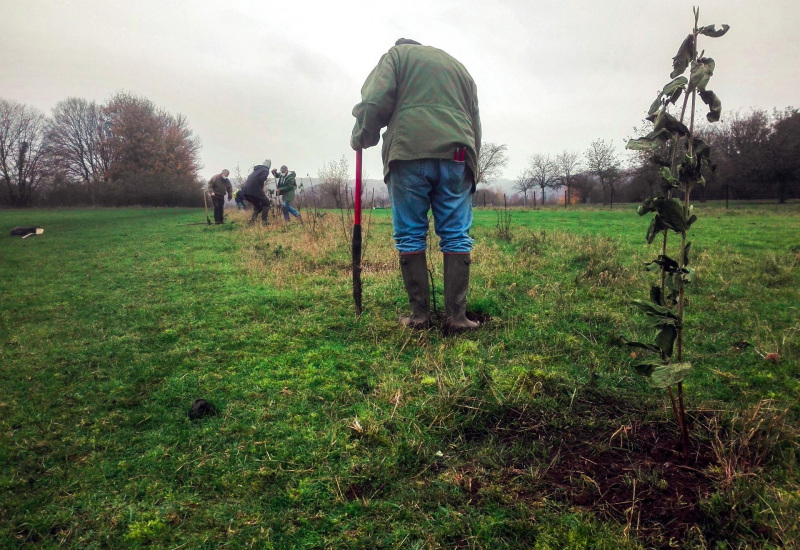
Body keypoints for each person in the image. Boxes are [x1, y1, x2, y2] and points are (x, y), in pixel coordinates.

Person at [350, 38, 481, 331]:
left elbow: (374, 100)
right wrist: (473, 165)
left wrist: (363, 135)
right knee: (456, 234)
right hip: (458, 153)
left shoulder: (396, 56)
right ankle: (457, 318)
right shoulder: (458, 66)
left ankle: (420, 317)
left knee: (410, 234)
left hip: (408, 150)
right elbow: (475, 122)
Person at [243, 160, 272, 226]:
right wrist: (262, 183)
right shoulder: (265, 170)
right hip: (255, 189)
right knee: (266, 203)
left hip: (246, 191)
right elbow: (262, 178)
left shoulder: (256, 170)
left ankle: (251, 223)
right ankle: (264, 222)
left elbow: (249, 177)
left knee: (257, 207)